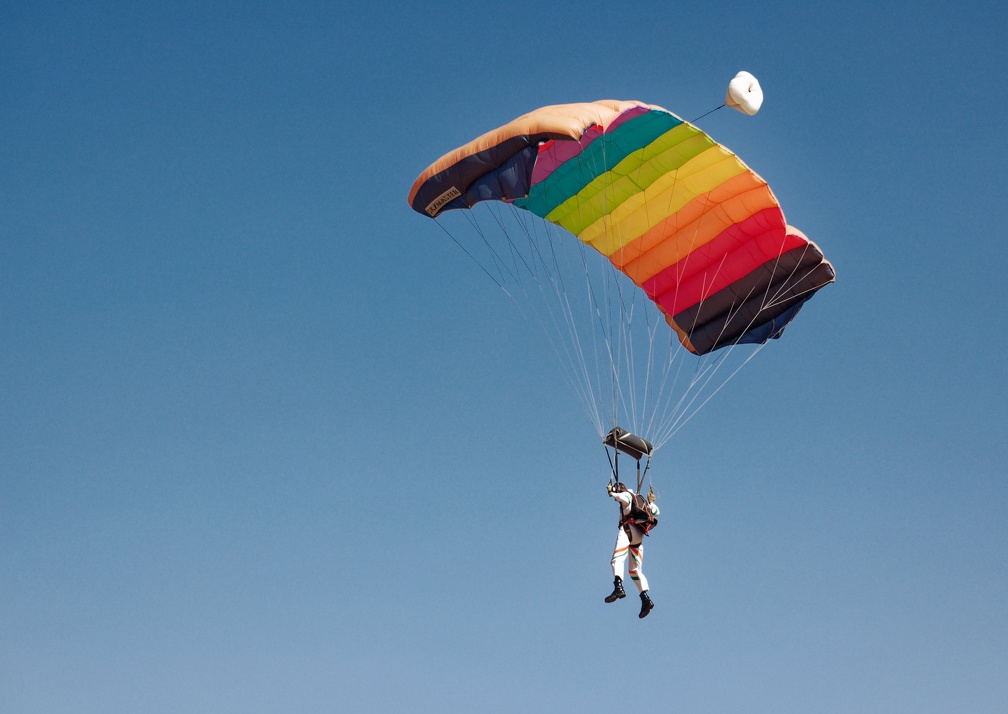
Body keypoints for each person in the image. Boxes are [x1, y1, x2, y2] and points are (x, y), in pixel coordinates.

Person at [605, 481, 659, 618]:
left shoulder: (627, 495)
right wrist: (651, 501)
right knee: (634, 570)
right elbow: (656, 511)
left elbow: (622, 498)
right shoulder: (642, 501)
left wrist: (612, 493)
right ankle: (645, 598)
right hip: (638, 537)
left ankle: (618, 587)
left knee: (617, 559)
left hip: (627, 530)